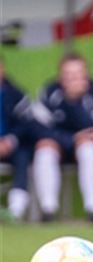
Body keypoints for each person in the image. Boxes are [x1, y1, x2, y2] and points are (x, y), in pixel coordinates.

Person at [32, 52, 93, 222]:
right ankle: (48, 209)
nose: (73, 79)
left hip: (82, 145)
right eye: (68, 75)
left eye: (78, 74)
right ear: (61, 76)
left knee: (89, 147)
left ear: (86, 74)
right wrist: (70, 139)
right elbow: (39, 128)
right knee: (44, 147)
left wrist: (75, 102)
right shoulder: (48, 92)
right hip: (56, 142)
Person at [0, 60, 41, 221]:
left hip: (12, 146)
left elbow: (26, 124)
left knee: (23, 155)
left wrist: (10, 140)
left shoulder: (17, 94)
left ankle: (16, 210)